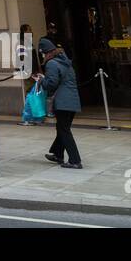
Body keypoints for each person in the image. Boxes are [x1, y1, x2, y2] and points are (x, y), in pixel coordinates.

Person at [35, 38, 82, 168]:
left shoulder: (51, 64)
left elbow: (51, 83)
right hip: (72, 100)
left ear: (46, 52)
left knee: (64, 129)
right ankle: (58, 154)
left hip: (62, 101)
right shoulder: (66, 62)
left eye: (43, 53)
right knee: (61, 128)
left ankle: (75, 160)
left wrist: (41, 80)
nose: (43, 56)